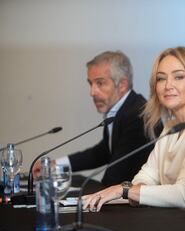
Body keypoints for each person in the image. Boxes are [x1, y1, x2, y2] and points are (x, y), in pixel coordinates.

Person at [82, 46, 185, 219]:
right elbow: (147, 175)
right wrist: (132, 190)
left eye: (178, 77)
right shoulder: (171, 127)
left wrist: (125, 190)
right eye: (161, 79)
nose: (168, 85)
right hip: (175, 222)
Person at [33, 51, 154, 186]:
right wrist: (56, 165)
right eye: (91, 84)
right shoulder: (121, 110)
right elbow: (102, 152)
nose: (92, 92)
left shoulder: (137, 115)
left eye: (100, 83)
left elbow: (116, 176)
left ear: (122, 85)